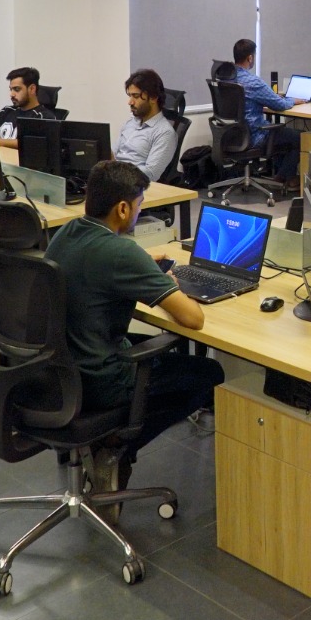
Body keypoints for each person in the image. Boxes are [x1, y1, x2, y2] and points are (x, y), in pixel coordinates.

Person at [45, 160, 224, 491]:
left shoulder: (67, 232)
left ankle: (110, 439)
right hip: (101, 379)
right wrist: (163, 281)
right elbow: (193, 319)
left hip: (59, 368)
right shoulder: (121, 253)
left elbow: (100, 264)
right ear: (123, 208)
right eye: (140, 205)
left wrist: (141, 264)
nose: (140, 212)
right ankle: (117, 447)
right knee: (208, 374)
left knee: (156, 351)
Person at [230, 38, 301, 190]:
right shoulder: (253, 82)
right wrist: (293, 100)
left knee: (282, 134)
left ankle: (281, 176)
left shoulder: (226, 79)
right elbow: (280, 105)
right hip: (255, 136)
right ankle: (285, 178)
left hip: (230, 136)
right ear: (250, 58)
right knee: (299, 137)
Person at [114, 69, 177, 181]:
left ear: (153, 98)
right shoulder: (130, 123)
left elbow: (150, 174)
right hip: (113, 179)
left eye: (136, 96)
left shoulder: (164, 133)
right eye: (130, 96)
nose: (130, 102)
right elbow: (113, 154)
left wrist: (115, 169)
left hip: (133, 186)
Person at [0, 67, 59, 141]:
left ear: (32, 89)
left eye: (17, 89)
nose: (12, 94)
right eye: (11, 89)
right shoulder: (7, 111)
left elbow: (32, 144)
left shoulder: (44, 117)